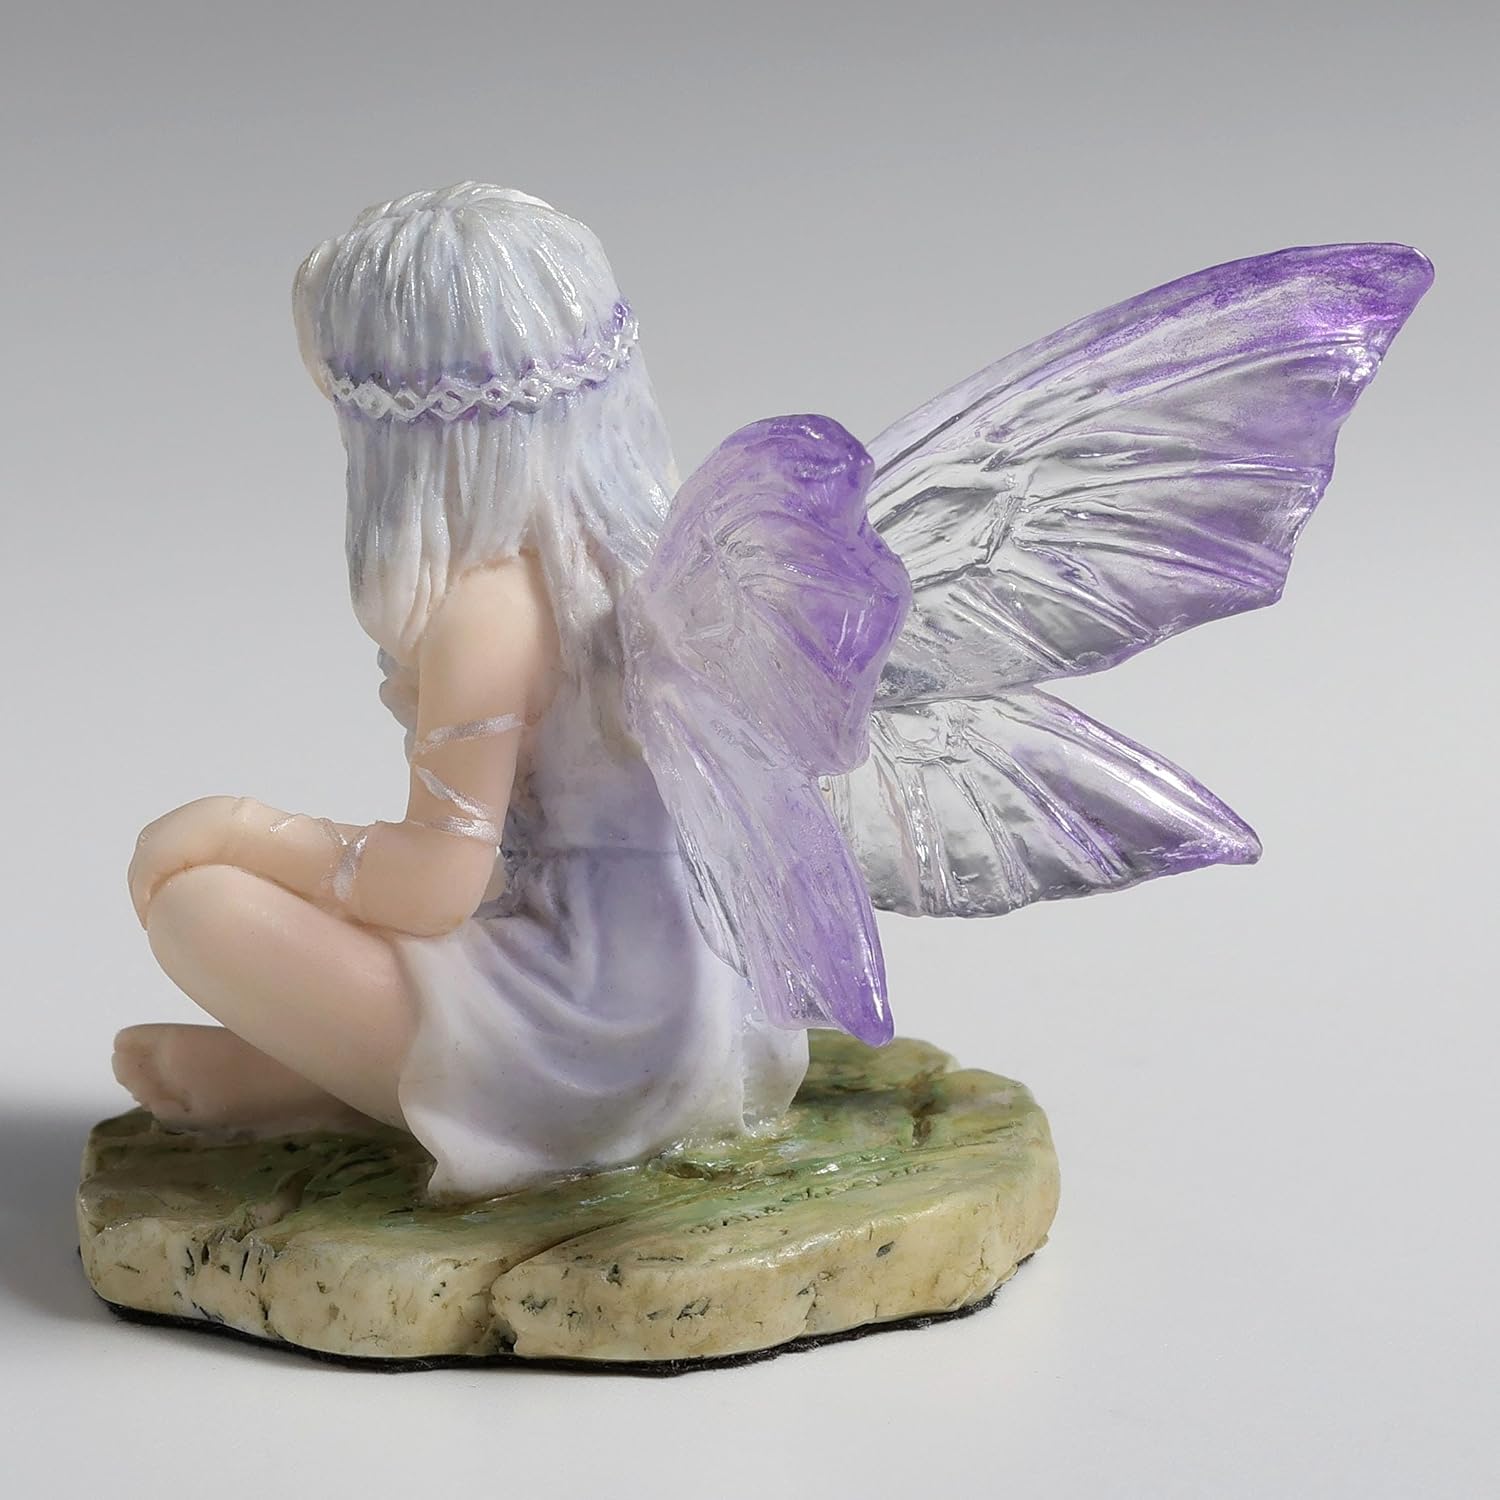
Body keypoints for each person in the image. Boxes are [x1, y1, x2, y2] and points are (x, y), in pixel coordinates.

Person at [117, 184, 808, 1198]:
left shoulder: (489, 607)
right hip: (722, 1012)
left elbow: (433, 886)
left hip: (591, 1040)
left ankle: (378, 1090)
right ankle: (342, 1074)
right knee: (337, 922)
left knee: (201, 909)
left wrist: (241, 829)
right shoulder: (650, 558)